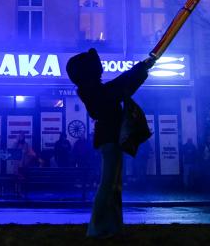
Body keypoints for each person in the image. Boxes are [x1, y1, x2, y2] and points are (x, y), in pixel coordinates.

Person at [66, 48, 154, 239]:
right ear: (90, 70)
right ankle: (96, 229)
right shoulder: (95, 91)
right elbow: (119, 87)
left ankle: (113, 228)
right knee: (108, 185)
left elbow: (119, 86)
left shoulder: (92, 90)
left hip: (109, 139)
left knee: (113, 186)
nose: (101, 68)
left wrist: (140, 69)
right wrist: (141, 69)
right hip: (110, 139)